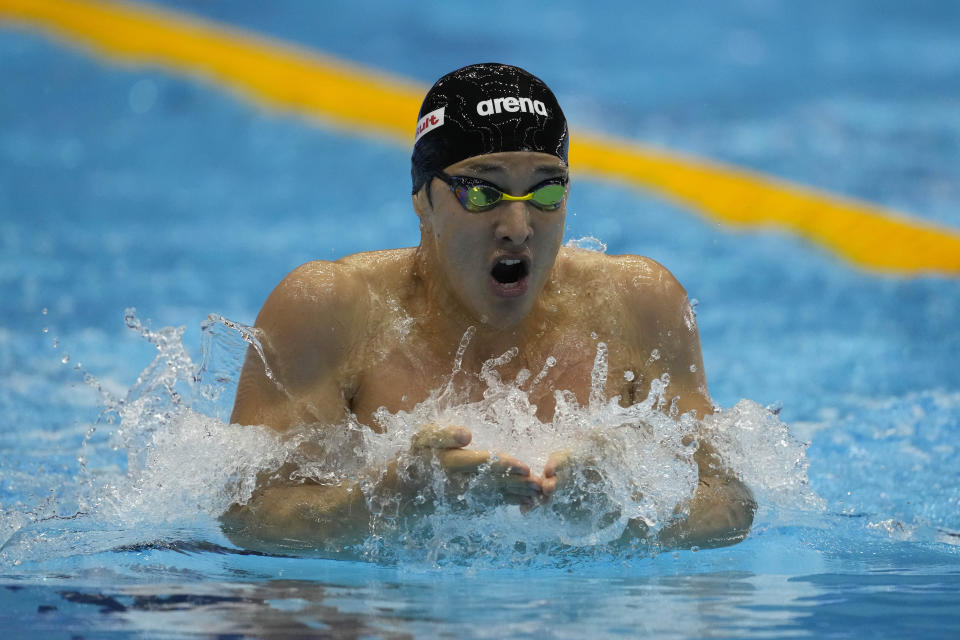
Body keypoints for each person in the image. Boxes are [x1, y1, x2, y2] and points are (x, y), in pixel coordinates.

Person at [222, 63, 755, 553]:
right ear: (422, 198)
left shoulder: (638, 304)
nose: (518, 228)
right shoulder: (332, 310)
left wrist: (622, 517)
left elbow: (730, 503)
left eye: (546, 193)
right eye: (482, 192)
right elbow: (247, 517)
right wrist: (390, 500)